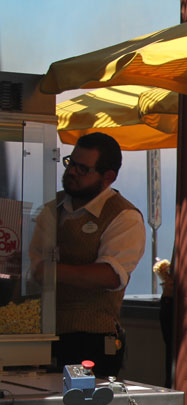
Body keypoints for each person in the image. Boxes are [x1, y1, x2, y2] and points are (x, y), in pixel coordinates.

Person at [29, 132, 145, 378]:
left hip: (92, 339)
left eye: (83, 169)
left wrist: (51, 271)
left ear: (108, 177)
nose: (71, 172)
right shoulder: (52, 207)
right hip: (43, 333)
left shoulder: (123, 216)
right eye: (71, 163)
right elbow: (30, 260)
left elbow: (110, 275)